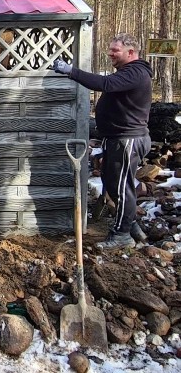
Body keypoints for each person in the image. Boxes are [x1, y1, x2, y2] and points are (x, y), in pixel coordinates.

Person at [52, 33, 153, 250]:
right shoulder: (128, 72)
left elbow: (104, 83)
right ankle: (130, 224)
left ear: (131, 52)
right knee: (112, 184)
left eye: (115, 50)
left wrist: (71, 71)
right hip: (117, 138)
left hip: (128, 139)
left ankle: (122, 235)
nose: (110, 53)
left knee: (122, 187)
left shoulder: (136, 72)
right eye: (110, 49)